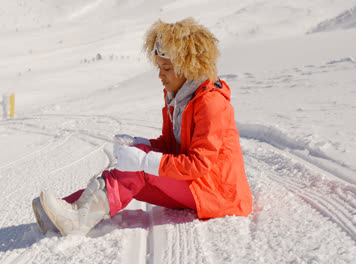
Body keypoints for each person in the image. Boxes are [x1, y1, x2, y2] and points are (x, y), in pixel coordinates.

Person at [32, 18, 253, 236]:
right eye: (159, 67)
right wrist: (141, 145)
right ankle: (67, 210)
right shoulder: (177, 97)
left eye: (166, 68)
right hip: (197, 187)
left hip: (219, 194)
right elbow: (170, 144)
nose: (160, 75)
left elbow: (199, 164)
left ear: (189, 67)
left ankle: (78, 220)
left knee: (138, 168)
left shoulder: (211, 103)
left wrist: (144, 161)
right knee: (130, 170)